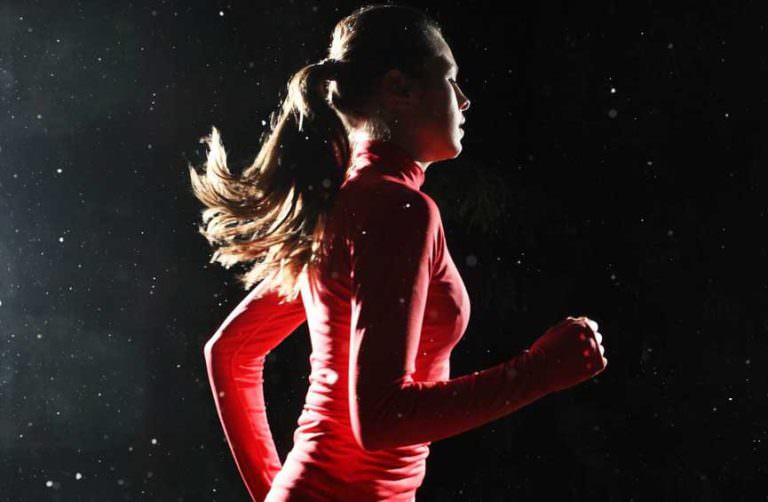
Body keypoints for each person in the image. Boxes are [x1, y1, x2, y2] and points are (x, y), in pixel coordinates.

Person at [188, 4, 608, 501]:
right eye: (450, 79)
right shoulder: (398, 209)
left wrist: (276, 493)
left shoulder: (347, 206)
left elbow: (231, 352)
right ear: (400, 88)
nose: (464, 100)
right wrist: (538, 372)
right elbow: (382, 418)